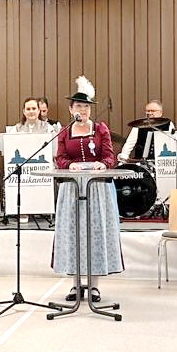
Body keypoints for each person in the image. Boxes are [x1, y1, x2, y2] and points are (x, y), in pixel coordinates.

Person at [52, 76, 122, 299]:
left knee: (95, 232)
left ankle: (93, 285)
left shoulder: (100, 129)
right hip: (73, 187)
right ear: (71, 109)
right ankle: (75, 284)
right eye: (78, 106)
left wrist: (104, 164)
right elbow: (60, 158)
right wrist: (69, 165)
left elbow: (110, 156)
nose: (83, 110)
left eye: (86, 107)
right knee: (73, 233)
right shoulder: (65, 132)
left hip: (96, 187)